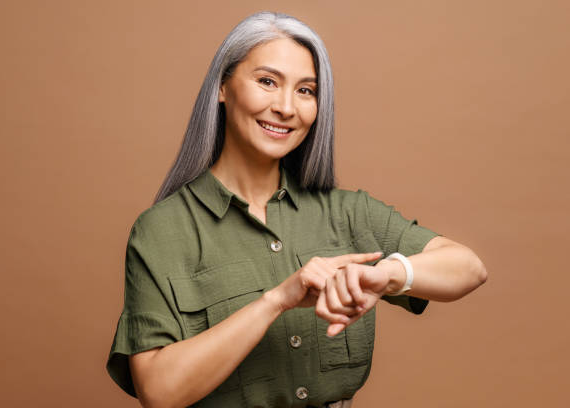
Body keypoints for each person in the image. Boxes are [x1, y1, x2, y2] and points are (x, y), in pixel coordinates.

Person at [105, 11, 487, 408]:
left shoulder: (347, 212)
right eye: (267, 82)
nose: (287, 107)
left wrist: (388, 275)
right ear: (222, 87)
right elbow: (159, 391)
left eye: (306, 91)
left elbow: (469, 267)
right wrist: (277, 300)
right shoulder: (162, 231)